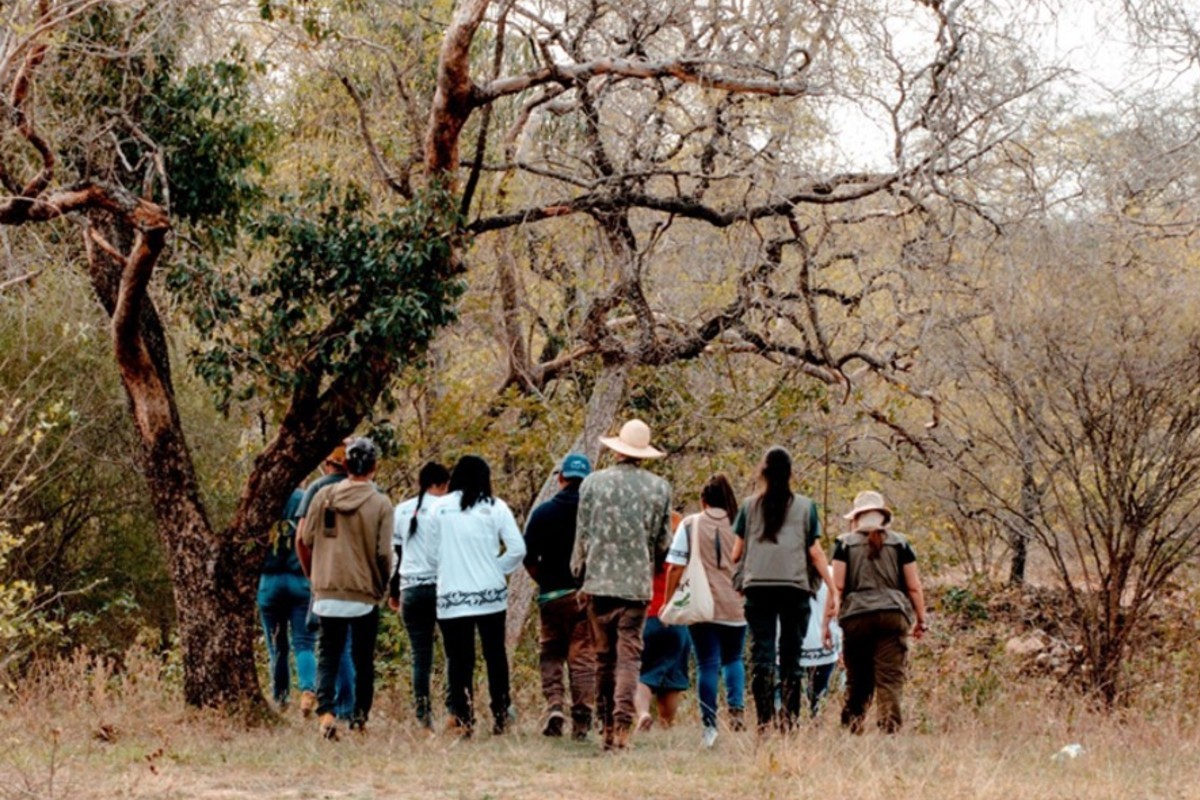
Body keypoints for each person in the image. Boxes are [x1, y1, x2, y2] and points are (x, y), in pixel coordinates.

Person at [572, 419, 673, 751]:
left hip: (598, 583)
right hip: (635, 587)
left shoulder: (592, 484)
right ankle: (623, 728)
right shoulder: (659, 488)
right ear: (643, 455)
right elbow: (662, 544)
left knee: (603, 658)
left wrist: (580, 573)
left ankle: (605, 728)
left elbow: (582, 535)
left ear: (616, 450)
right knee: (630, 657)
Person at [731, 446, 837, 733]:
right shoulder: (805, 506)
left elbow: (735, 554)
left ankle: (764, 721)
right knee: (792, 656)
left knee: (762, 655)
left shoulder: (749, 507)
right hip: (795, 588)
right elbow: (815, 552)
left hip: (758, 588)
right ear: (790, 473)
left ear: (763, 472)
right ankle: (789, 722)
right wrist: (832, 587)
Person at [298, 438, 394, 739]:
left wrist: (316, 577)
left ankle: (326, 712)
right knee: (363, 658)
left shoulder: (323, 496)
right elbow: (383, 553)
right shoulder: (380, 502)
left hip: (327, 589)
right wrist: (383, 585)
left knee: (328, 653)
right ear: (375, 467)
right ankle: (359, 718)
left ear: (346, 465)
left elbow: (305, 539)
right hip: (363, 593)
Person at [428, 455, 526, 737]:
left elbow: (432, 551)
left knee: (459, 660)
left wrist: (446, 568)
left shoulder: (439, 509)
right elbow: (518, 548)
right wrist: (497, 568)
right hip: (490, 595)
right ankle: (500, 713)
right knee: (495, 656)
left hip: (452, 595)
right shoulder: (496, 508)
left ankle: (462, 717)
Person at [833, 490, 927, 734]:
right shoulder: (900, 543)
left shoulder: (844, 543)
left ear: (856, 518)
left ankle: (852, 727)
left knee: (858, 677)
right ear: (883, 517)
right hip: (892, 614)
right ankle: (889, 730)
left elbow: (839, 585)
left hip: (856, 616)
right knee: (889, 677)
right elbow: (914, 586)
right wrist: (921, 619)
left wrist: (828, 620)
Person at [664, 474, 746, 747]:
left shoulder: (690, 524)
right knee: (734, 658)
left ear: (703, 500)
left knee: (707, 663)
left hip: (702, 604)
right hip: (736, 604)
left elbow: (675, 565)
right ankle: (736, 707)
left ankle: (710, 726)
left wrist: (669, 599)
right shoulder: (741, 523)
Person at [523, 453, 597, 741]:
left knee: (551, 652)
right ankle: (581, 718)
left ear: (561, 478)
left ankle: (554, 705)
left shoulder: (542, 513)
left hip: (551, 596)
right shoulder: (593, 514)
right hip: (583, 596)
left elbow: (527, 556)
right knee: (583, 657)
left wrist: (544, 580)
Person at [295, 444, 356, 721]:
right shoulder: (367, 491)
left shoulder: (316, 490)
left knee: (331, 644)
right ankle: (351, 705)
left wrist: (311, 574)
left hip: (326, 576)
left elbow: (301, 539)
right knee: (353, 645)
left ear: (327, 462)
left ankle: (339, 707)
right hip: (358, 579)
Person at [388, 461, 451, 729]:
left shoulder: (401, 510)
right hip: (442, 587)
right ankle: (454, 709)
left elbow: (397, 554)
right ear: (442, 484)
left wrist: (394, 592)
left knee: (420, 655)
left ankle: (423, 715)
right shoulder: (447, 509)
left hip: (411, 589)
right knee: (452, 652)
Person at [257, 487, 317, 715]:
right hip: (300, 580)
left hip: (269, 581)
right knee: (304, 642)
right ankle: (307, 689)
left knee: (277, 645)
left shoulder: (262, 499)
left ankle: (280, 698)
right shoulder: (304, 499)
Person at [633, 556, 691, 733]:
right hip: (676, 618)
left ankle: (643, 713)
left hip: (648, 616)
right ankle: (666, 726)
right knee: (672, 679)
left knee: (642, 674)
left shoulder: (644, 551)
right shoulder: (681, 549)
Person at [800, 566, 842, 717]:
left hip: (795, 644)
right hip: (825, 644)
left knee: (791, 690)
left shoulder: (788, 571)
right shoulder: (832, 573)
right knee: (819, 691)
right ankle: (816, 719)